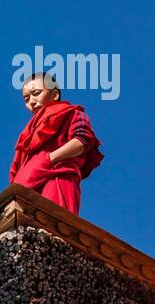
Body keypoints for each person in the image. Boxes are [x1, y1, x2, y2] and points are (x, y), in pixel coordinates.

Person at [9, 73, 103, 214]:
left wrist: (49, 160)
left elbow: (82, 141)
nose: (31, 102)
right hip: (27, 184)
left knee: (53, 226)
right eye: (26, 99)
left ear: (54, 95)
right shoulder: (28, 132)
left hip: (57, 177)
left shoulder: (71, 113)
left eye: (36, 93)